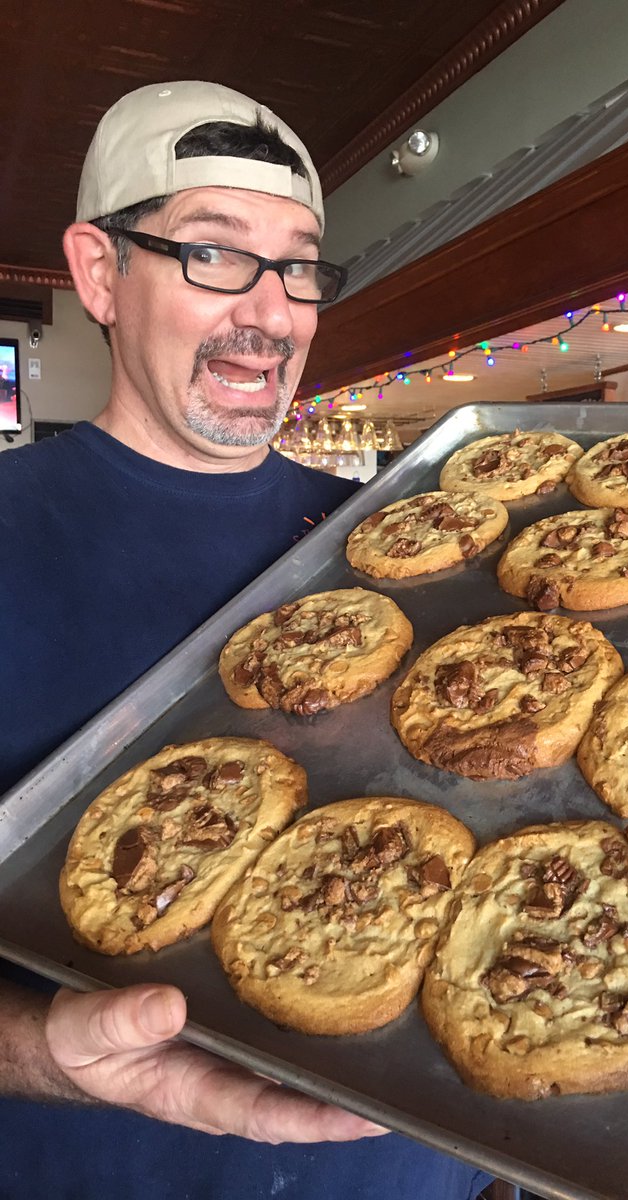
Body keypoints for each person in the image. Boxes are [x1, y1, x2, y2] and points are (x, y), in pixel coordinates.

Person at [0, 80, 492, 1200]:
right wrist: (43, 1054)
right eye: (213, 254)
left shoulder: (400, 535)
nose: (272, 313)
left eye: (301, 265)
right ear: (96, 273)